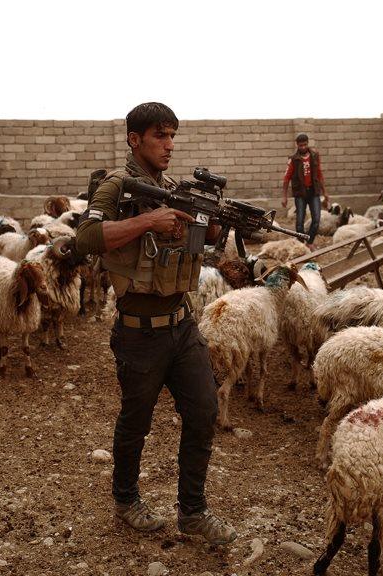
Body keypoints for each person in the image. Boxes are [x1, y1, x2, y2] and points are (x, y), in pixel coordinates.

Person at [74, 102, 237, 546]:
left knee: (204, 410)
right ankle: (126, 501)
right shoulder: (114, 185)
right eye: (160, 136)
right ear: (135, 139)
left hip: (182, 325)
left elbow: (193, 244)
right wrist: (150, 220)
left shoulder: (172, 187)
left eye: (172, 136)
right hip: (139, 332)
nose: (168, 145)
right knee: (136, 420)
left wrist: (212, 228)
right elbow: (85, 239)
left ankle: (193, 511)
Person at [281, 133, 329, 248]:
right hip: (300, 194)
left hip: (313, 192)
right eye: (300, 145)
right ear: (297, 145)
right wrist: (284, 196)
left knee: (316, 219)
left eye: (305, 145)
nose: (303, 147)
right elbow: (286, 178)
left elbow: (319, 174)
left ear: (308, 143)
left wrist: (325, 192)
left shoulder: (314, 156)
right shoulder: (293, 159)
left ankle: (310, 242)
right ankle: (301, 245)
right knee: (299, 222)